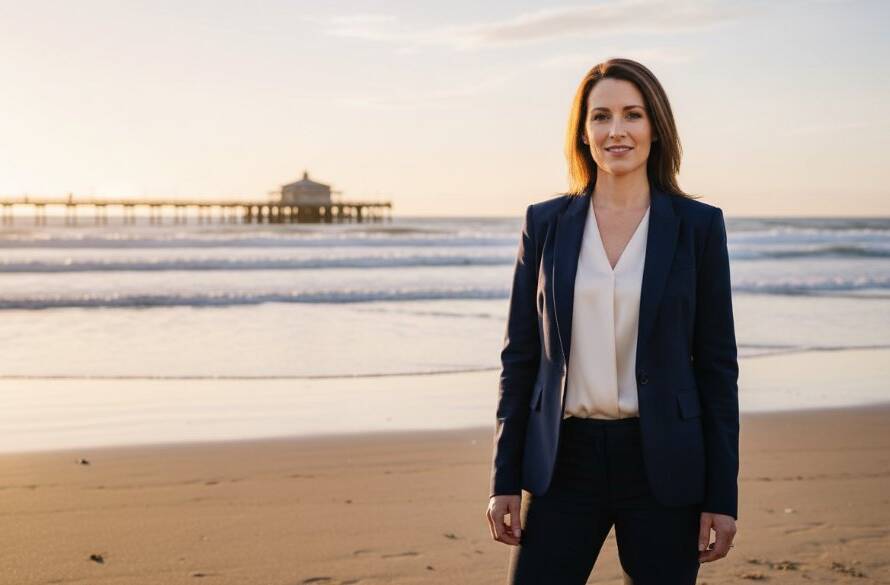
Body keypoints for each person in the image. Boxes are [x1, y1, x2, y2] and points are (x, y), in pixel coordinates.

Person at [484, 58, 739, 585]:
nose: (616, 130)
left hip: (664, 463)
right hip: (564, 460)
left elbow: (717, 367)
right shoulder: (545, 223)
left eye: (632, 115)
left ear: (656, 127)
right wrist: (503, 477)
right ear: (583, 132)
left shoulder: (699, 227)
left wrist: (722, 496)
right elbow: (520, 357)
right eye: (601, 116)